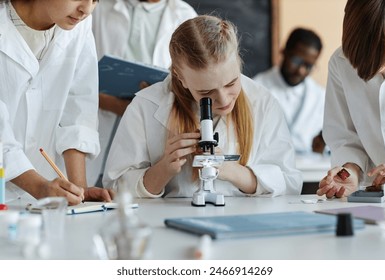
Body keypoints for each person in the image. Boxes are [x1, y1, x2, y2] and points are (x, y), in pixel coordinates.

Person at [103, 15, 302, 198]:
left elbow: (290, 184)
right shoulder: (145, 106)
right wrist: (163, 170)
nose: (224, 100)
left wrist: (233, 172)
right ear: (181, 78)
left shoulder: (263, 102)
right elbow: (114, 188)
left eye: (231, 83)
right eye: (206, 93)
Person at [0, 0, 113, 205]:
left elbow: (78, 106)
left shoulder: (78, 26)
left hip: (44, 197)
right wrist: (38, 186)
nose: (86, 9)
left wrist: (79, 190)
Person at [88, 0, 197, 186]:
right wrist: (114, 105)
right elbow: (77, 81)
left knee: (135, 189)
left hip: (151, 130)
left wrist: (149, 102)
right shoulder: (98, 8)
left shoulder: (184, 14)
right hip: (97, 122)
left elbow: (191, 85)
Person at [317, 0, 385, 198]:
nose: (380, 69)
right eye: (369, 59)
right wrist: (350, 170)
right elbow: (346, 138)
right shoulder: (341, 63)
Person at [252, 28, 326, 154]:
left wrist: (323, 145)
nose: (301, 71)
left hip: (310, 170)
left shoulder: (320, 96)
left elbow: (328, 143)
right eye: (296, 61)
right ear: (284, 52)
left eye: (308, 66)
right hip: (266, 167)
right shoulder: (256, 87)